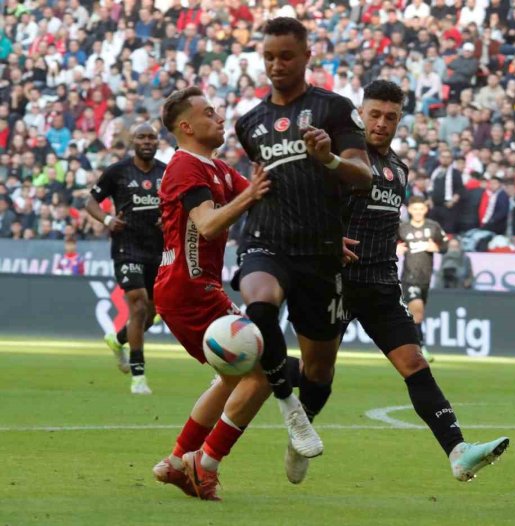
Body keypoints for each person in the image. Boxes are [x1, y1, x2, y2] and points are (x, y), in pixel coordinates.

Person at [315, 80, 507, 484]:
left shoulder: (398, 169)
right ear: (360, 114)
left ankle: (458, 451)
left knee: (414, 363)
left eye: (391, 117)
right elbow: (312, 209)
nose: (382, 123)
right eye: (375, 115)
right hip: (334, 280)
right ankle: (296, 425)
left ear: (399, 120)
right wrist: (328, 241)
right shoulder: (341, 160)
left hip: (380, 285)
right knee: (319, 372)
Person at [231, 17, 372, 468]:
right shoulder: (249, 123)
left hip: (321, 252)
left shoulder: (335, 108)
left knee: (320, 368)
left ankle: (302, 424)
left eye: (286, 56)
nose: (276, 65)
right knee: (259, 305)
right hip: (265, 239)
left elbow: (363, 175)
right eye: (269, 56)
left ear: (307, 56)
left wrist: (329, 158)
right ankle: (289, 407)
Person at [151, 87, 272, 501]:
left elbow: (262, 199)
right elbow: (206, 225)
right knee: (262, 374)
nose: (220, 117)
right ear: (186, 127)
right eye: (209, 112)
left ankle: (177, 460)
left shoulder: (215, 167)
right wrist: (251, 195)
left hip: (198, 289)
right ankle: (205, 463)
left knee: (232, 377)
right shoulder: (185, 166)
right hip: (188, 290)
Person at [85, 122, 165, 394]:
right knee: (139, 305)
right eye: (141, 137)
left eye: (151, 138)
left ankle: (118, 340)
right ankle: (139, 377)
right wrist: (107, 218)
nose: (147, 142)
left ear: (157, 142)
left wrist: (168, 219)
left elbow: (178, 205)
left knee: (153, 313)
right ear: (133, 141)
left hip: (157, 249)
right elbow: (90, 201)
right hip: (126, 248)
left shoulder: (166, 173)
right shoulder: (117, 172)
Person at [398, 196, 446, 363]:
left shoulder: (433, 227)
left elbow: (445, 245)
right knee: (417, 312)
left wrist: (437, 248)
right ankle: (421, 348)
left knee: (416, 316)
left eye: (421, 209)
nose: (418, 212)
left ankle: (407, 346)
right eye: (414, 209)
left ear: (425, 209)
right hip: (408, 277)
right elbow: (388, 244)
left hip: (425, 278)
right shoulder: (402, 228)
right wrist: (395, 248)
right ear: (410, 210)